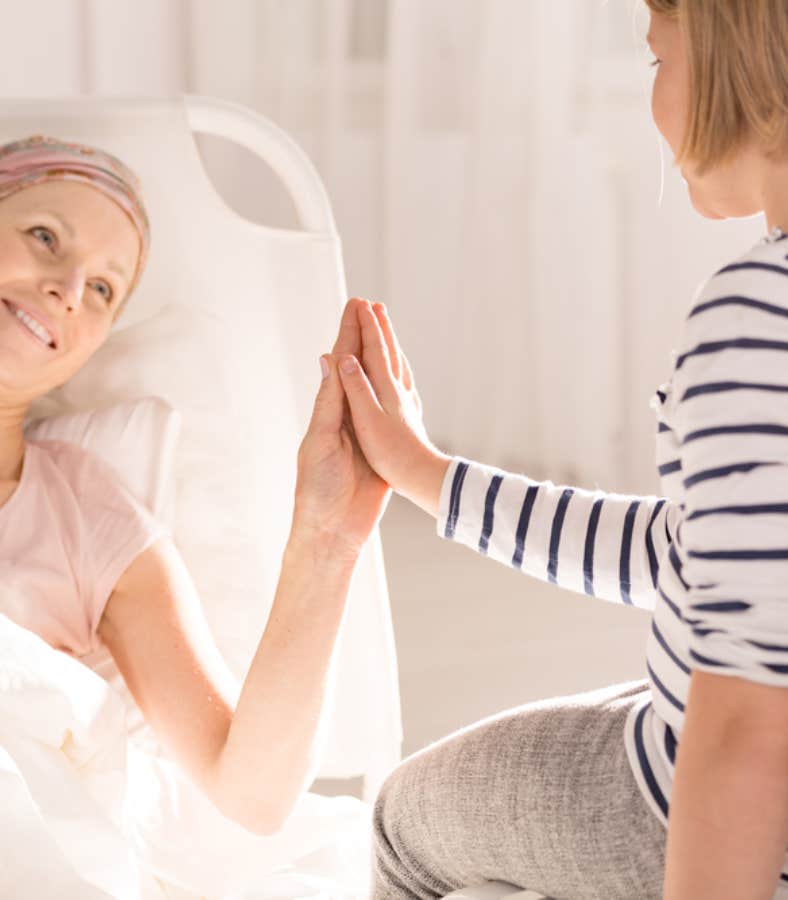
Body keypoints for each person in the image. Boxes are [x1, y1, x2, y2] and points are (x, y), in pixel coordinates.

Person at [326, 1, 788, 897]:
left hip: (710, 815)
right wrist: (429, 476)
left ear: (742, 53)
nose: (654, 99)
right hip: (696, 739)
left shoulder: (758, 322)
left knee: (399, 824)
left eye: (660, 61)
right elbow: (698, 558)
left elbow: (746, 731)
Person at [0, 134, 391, 838]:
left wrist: (328, 539)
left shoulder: (90, 521)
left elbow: (249, 793)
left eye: (102, 289)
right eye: (44, 237)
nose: (68, 288)